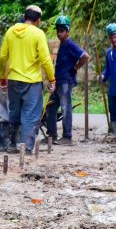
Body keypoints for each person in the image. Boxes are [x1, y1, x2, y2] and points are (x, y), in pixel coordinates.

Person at [0, 5, 55, 154]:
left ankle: (12, 144)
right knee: (31, 114)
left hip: (13, 80)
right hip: (32, 82)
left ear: (25, 17)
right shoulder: (38, 34)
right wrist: (52, 79)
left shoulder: (10, 32)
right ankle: (27, 147)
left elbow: (3, 57)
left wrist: (3, 78)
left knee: (14, 111)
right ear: (38, 20)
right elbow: (46, 60)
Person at [45, 15, 88, 145]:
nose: (59, 33)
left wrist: (75, 68)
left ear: (67, 31)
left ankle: (67, 137)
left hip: (65, 81)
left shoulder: (70, 44)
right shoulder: (63, 45)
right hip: (58, 81)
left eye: (62, 30)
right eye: (58, 30)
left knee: (65, 108)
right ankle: (51, 135)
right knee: (50, 108)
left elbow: (85, 56)